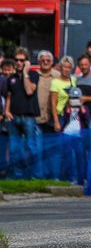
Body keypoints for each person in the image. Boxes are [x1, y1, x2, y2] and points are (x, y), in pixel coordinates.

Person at [3, 47, 40, 178]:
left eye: (22, 60)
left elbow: (29, 90)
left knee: (31, 147)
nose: (19, 63)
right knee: (14, 148)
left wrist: (25, 73)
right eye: (17, 60)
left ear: (27, 61)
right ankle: (16, 175)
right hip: (14, 117)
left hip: (28, 117)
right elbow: (9, 95)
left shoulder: (34, 75)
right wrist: (6, 110)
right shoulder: (11, 78)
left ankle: (34, 174)